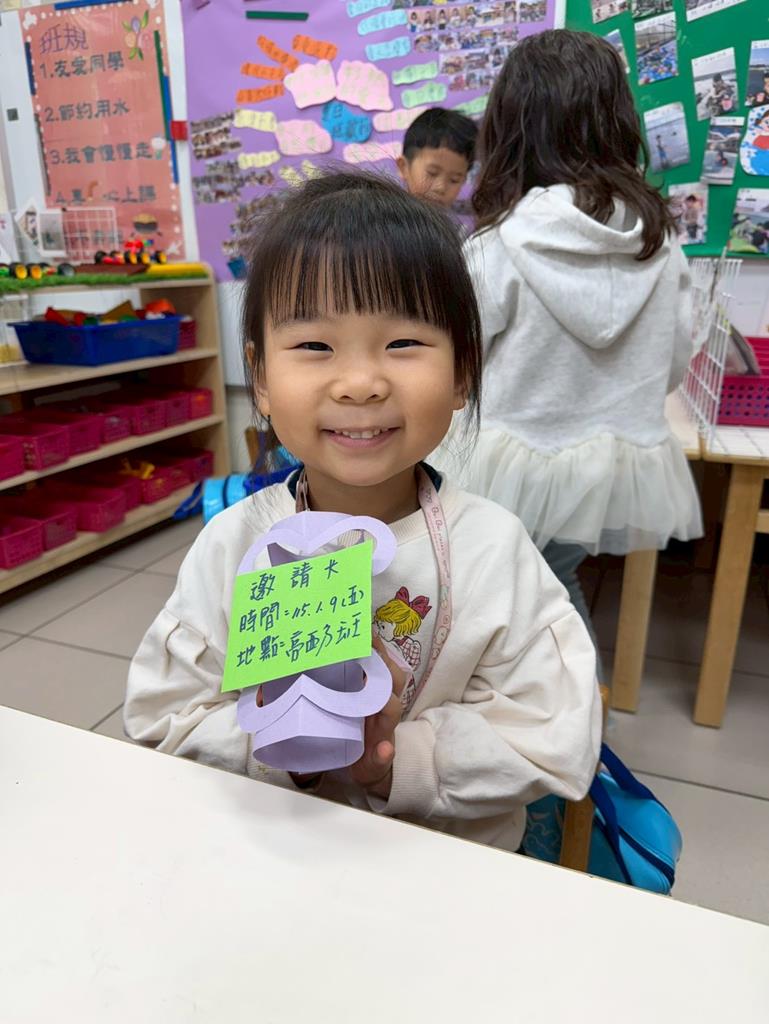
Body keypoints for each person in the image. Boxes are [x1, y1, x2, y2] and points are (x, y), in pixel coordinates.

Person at [124, 172, 601, 855]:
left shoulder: (494, 548)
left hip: (450, 865)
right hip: (274, 851)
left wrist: (393, 762)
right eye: (314, 346)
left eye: (402, 344)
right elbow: (163, 716)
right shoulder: (234, 543)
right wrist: (285, 751)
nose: (359, 384)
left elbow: (553, 736)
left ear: (462, 372)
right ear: (260, 378)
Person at [436, 30, 701, 657]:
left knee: (496, 594)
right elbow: (673, 363)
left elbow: (455, 372)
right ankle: (572, 698)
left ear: (510, 128)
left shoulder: (496, 245)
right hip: (604, 470)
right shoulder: (661, 247)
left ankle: (553, 700)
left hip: (502, 467)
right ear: (618, 121)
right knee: (552, 582)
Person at [396, 107, 477, 209]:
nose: (441, 188)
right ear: (403, 167)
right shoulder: (383, 216)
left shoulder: (452, 220)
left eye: (454, 180)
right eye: (432, 173)